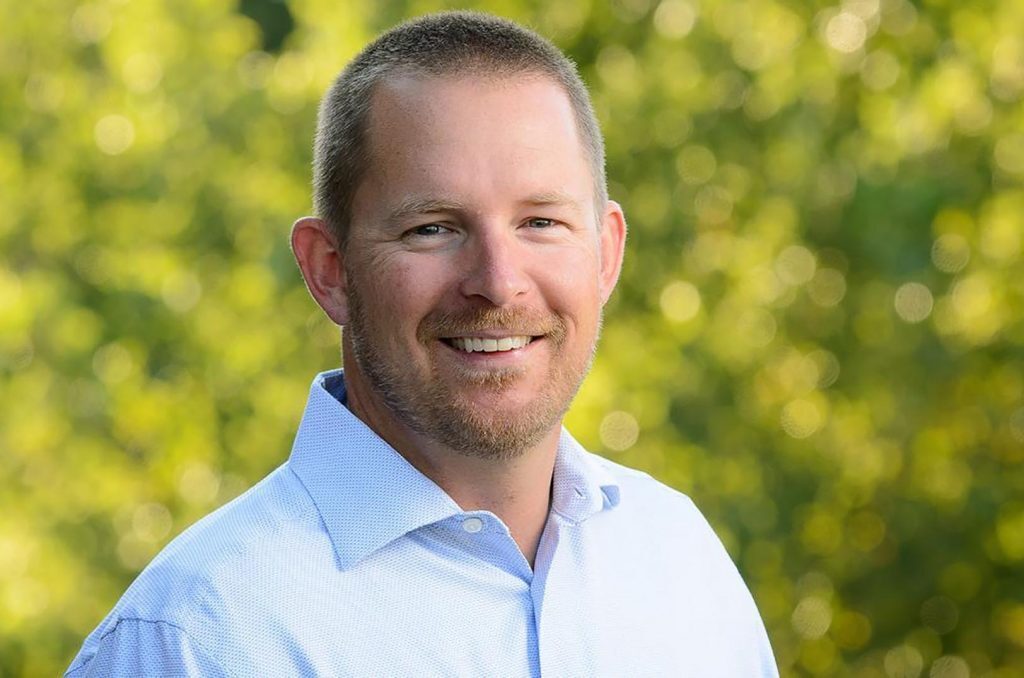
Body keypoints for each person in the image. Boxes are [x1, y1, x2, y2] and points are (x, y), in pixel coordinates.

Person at [67, 11, 778, 677]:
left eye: (540, 222)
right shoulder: (198, 637)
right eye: (432, 228)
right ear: (330, 270)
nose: (498, 284)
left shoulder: (681, 564)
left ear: (605, 254)